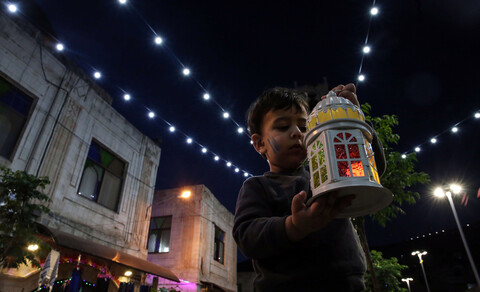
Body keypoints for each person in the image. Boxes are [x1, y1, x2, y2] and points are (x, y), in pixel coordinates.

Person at [233, 83, 384, 291]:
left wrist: (353, 122)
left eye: (304, 127)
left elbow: (368, 167)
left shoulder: (328, 171)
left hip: (348, 284)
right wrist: (293, 226)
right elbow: (247, 236)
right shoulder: (257, 187)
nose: (297, 133)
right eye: (283, 126)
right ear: (259, 144)